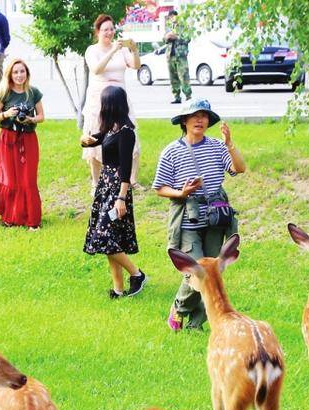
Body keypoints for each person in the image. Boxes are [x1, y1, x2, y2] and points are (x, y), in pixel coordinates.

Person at [153, 99, 246, 330]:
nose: (200, 120)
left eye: (204, 116)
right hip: (187, 222)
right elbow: (159, 188)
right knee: (197, 270)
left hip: (216, 219)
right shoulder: (172, 152)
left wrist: (229, 144)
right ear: (184, 121)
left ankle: (196, 325)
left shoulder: (216, 146)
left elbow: (239, 169)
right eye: (195, 116)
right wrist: (181, 192)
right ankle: (178, 308)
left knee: (212, 272)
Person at [80, 86, 146, 299]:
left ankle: (137, 274)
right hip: (105, 187)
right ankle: (118, 289)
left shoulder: (126, 132)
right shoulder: (112, 128)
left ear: (111, 105)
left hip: (117, 188)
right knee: (111, 239)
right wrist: (86, 140)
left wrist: (121, 198)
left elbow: (126, 168)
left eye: (103, 103)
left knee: (104, 236)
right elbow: (96, 138)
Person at [82, 14, 141, 186]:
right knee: (96, 137)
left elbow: (136, 65)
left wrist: (134, 50)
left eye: (111, 29)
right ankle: (96, 182)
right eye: (105, 29)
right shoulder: (92, 50)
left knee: (130, 134)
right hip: (100, 98)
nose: (109, 32)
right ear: (98, 32)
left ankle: (131, 180)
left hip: (120, 98)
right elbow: (97, 69)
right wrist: (113, 50)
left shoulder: (122, 49)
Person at [0, 58, 44, 228]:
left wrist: (30, 118)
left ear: (27, 73)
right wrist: (7, 114)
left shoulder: (33, 92)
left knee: (28, 179)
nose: (19, 75)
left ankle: (31, 218)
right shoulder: (4, 92)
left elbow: (41, 117)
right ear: (10, 75)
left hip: (28, 138)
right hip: (8, 139)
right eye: (16, 72)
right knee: (10, 179)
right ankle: (10, 216)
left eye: (22, 71)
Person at [164, 10, 191, 105]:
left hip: (181, 56)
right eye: (170, 17)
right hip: (171, 55)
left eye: (173, 16)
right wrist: (167, 37)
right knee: (173, 77)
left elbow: (188, 38)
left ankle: (188, 96)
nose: (172, 18)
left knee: (184, 76)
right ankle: (176, 96)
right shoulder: (168, 27)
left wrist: (176, 37)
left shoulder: (183, 27)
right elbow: (164, 39)